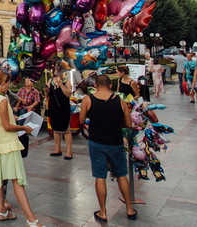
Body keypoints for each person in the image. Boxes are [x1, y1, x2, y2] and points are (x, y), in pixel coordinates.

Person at [0, 70, 42, 226]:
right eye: (8, 83)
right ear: (3, 83)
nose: (8, 87)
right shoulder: (2, 100)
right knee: (18, 181)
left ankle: (1, 211)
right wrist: (24, 128)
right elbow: (7, 126)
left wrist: (13, 117)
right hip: (7, 144)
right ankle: (31, 220)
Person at [79, 73, 137, 223]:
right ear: (110, 86)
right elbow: (129, 124)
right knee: (121, 174)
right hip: (116, 142)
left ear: (95, 85)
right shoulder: (120, 100)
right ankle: (130, 209)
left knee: (100, 176)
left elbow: (81, 120)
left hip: (96, 142)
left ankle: (103, 212)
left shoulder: (87, 100)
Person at [46, 65, 73, 160]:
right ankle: (57, 149)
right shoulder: (50, 81)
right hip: (53, 108)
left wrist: (61, 84)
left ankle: (69, 152)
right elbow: (48, 94)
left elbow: (68, 94)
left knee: (66, 129)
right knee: (55, 129)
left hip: (63, 108)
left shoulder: (67, 81)